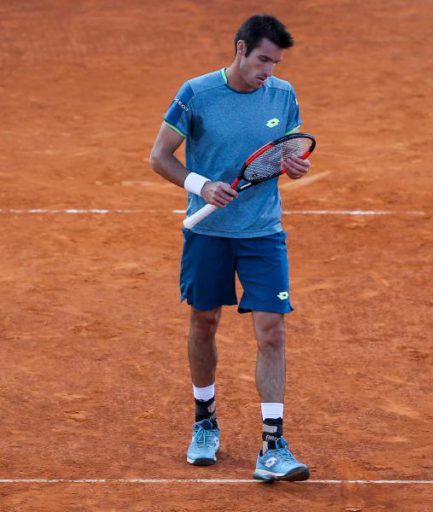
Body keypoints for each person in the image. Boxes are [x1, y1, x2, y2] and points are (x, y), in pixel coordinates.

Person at [149, 14, 311, 482]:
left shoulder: (283, 93)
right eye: (262, 59)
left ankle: (273, 443)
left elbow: (285, 150)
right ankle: (205, 422)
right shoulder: (196, 93)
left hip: (263, 233)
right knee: (203, 323)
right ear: (240, 49)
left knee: (272, 333)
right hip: (207, 234)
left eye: (275, 63)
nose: (269, 71)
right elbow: (159, 156)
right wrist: (200, 184)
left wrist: (293, 164)